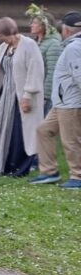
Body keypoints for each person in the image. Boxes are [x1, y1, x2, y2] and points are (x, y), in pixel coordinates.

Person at [0, 18, 44, 177]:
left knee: (20, 132)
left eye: (0, 35)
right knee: (3, 131)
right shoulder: (3, 47)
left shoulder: (29, 45)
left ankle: (19, 168)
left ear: (9, 32)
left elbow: (35, 70)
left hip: (22, 95)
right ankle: (2, 166)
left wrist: (27, 95)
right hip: (6, 95)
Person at [32, 11, 81, 189]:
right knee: (43, 130)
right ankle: (49, 172)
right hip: (62, 101)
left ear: (66, 30)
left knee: (71, 140)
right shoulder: (73, 46)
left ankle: (78, 176)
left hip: (71, 103)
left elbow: (79, 75)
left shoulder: (74, 47)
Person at [28, 6, 63, 115]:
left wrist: (45, 96)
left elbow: (52, 72)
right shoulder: (35, 42)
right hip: (34, 91)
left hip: (44, 95)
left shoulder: (53, 44)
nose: (31, 25)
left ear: (44, 26)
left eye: (35, 23)